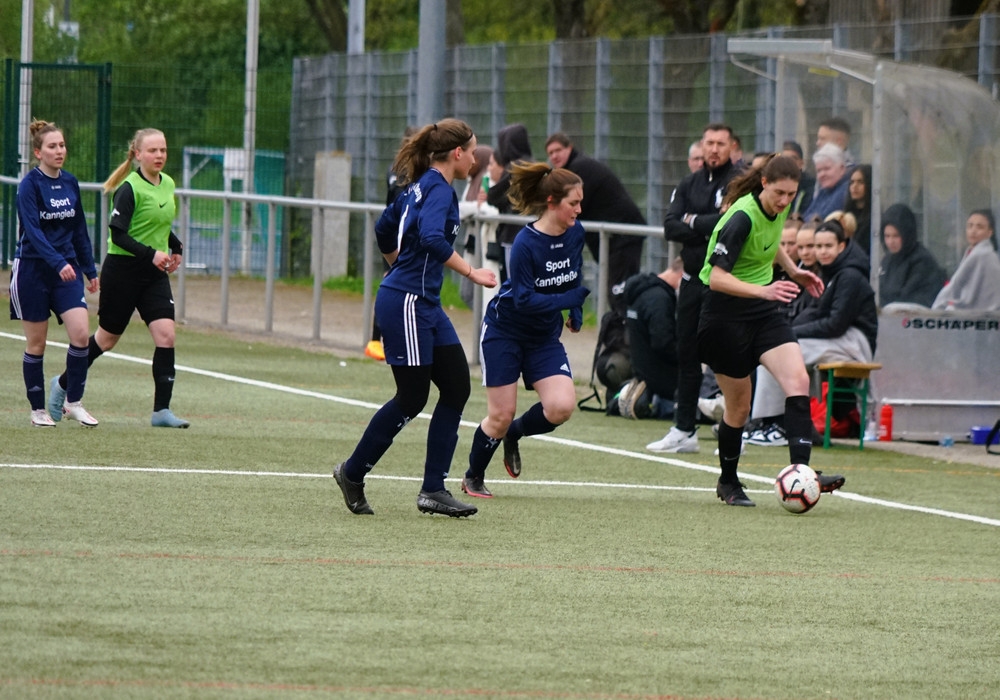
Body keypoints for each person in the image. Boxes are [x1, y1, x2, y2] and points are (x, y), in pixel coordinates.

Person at [332, 118, 498, 518]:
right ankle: (352, 473)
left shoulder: (418, 186)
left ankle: (433, 489)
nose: (475, 159)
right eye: (472, 151)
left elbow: (384, 228)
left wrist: (397, 267)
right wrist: (471, 272)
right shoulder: (438, 188)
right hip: (408, 301)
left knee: (456, 387)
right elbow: (430, 238)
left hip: (421, 301)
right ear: (456, 153)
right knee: (412, 397)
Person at [696, 154, 843, 506]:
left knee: (798, 381)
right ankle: (728, 482)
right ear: (764, 183)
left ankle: (802, 472)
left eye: (791, 194)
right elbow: (716, 278)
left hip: (762, 313)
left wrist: (793, 270)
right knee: (739, 408)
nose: (784, 201)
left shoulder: (776, 210)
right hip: (724, 318)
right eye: (779, 193)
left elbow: (770, 241)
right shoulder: (741, 218)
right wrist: (764, 290)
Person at [48, 128, 190, 429]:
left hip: (153, 276)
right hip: (122, 272)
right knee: (107, 339)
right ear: (138, 154)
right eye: (152, 150)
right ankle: (61, 383)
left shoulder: (168, 184)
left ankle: (161, 411)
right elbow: (119, 233)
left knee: (166, 335)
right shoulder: (129, 188)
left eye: (163, 150)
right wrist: (151, 254)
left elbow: (159, 224)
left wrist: (175, 247)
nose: (159, 156)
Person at [461, 163, 589, 498]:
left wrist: (574, 311)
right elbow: (524, 300)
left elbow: (573, 272)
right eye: (573, 203)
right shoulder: (525, 244)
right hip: (505, 332)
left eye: (580, 202)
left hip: (543, 337)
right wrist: (569, 299)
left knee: (561, 407)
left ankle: (514, 434)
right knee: (500, 415)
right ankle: (473, 476)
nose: (579, 209)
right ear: (551, 202)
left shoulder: (576, 232)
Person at [749, 218, 878, 448]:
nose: (822, 252)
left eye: (828, 246)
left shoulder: (850, 276)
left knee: (778, 354)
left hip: (853, 342)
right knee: (773, 351)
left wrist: (793, 332)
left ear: (842, 246)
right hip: (836, 339)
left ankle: (776, 425)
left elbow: (835, 324)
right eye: (818, 246)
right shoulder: (829, 272)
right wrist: (786, 331)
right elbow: (816, 313)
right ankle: (771, 423)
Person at [649, 122, 738, 454]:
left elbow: (728, 225)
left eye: (720, 144)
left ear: (732, 148)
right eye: (709, 143)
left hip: (724, 282)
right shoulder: (689, 182)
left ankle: (734, 430)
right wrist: (702, 223)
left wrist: (692, 220)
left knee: (729, 356)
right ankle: (684, 429)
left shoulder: (738, 182)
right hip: (690, 280)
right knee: (687, 354)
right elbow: (670, 226)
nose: (713, 149)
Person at [9, 119, 99, 427]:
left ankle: (73, 402)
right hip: (33, 270)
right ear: (38, 153)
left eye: (62, 145)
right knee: (37, 344)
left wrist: (89, 268)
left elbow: (79, 230)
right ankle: (37, 410)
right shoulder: (29, 185)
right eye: (52, 146)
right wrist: (57, 263)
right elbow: (33, 232)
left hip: (67, 271)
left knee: (81, 336)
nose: (59, 151)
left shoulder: (70, 182)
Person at [544, 132, 646, 313]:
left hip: (622, 235)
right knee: (618, 291)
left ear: (569, 148)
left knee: (619, 292)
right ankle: (624, 327)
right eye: (550, 153)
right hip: (615, 237)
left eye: (558, 150)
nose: (554, 156)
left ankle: (626, 329)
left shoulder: (579, 169)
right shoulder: (572, 171)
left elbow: (570, 207)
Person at [368, 125, 420, 361]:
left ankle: (381, 338)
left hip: (396, 231)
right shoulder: (407, 171)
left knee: (394, 283)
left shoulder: (397, 168)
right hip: (399, 233)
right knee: (393, 283)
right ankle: (376, 338)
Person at [619, 258, 683, 419]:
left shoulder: (641, 292)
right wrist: (688, 357)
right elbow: (663, 343)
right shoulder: (660, 299)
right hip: (663, 379)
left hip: (643, 372)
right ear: (682, 275)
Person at [488, 123, 533, 283]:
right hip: (533, 234)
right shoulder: (532, 163)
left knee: (513, 284)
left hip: (513, 235)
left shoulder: (516, 166)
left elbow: (494, 196)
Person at [878, 203, 947, 308]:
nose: (890, 242)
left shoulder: (922, 262)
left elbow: (912, 300)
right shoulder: (887, 261)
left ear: (907, 234)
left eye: (896, 236)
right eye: (887, 236)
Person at [932, 209, 1000, 311]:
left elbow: (957, 285)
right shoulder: (976, 252)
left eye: (980, 227)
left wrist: (940, 305)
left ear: (989, 232)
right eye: (970, 226)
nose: (973, 231)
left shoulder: (982, 254)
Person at [802, 143, 850, 222]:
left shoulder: (846, 190)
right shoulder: (823, 191)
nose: (822, 174)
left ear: (842, 168)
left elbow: (824, 218)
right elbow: (804, 217)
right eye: (819, 171)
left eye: (827, 169)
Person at [843, 165, 872, 258]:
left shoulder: (873, 218)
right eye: (852, 182)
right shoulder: (846, 216)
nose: (855, 186)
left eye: (860, 182)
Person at [782, 140, 814, 216]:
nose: (788, 163)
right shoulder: (776, 183)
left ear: (801, 163)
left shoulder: (809, 185)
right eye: (784, 159)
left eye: (792, 159)